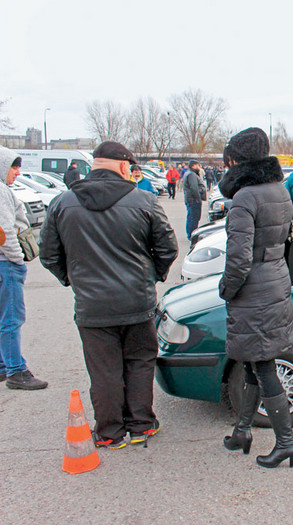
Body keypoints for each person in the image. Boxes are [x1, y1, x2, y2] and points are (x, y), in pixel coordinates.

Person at [39, 141, 178, 448]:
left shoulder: (62, 202)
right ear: (124, 166)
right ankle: (141, 424)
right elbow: (167, 248)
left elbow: (48, 255)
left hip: (93, 306)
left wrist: (74, 281)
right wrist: (150, 277)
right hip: (137, 301)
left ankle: (110, 432)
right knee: (140, 362)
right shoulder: (144, 200)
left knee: (104, 370)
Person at [217, 127, 293, 469]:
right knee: (252, 361)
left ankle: (287, 442)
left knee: (262, 365)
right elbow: (289, 241)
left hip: (254, 289)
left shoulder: (244, 198)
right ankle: (242, 432)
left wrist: (226, 290)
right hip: (275, 281)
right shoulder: (278, 189)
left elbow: (238, 260)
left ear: (237, 160)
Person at [0, 146, 48, 390]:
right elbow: (5, 231)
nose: (17, 173)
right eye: (14, 167)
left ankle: (3, 364)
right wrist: (16, 259)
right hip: (5, 263)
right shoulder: (2, 192)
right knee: (11, 318)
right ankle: (16, 371)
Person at [183, 160, 206, 240]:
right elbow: (194, 188)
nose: (199, 168)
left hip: (190, 199)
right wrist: (197, 198)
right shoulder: (192, 175)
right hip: (193, 200)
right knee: (194, 218)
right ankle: (192, 235)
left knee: (191, 217)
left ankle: (190, 233)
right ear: (194, 166)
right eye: (198, 166)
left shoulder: (189, 173)